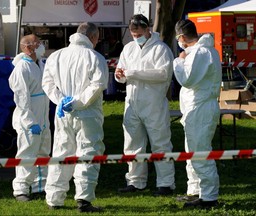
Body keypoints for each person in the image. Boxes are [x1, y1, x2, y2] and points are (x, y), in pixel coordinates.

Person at [42, 22, 109, 212]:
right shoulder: (95, 57)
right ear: (94, 38)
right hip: (88, 114)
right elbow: (97, 85)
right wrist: (78, 102)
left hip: (63, 113)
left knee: (61, 153)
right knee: (88, 152)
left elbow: (47, 83)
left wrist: (61, 101)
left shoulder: (56, 56)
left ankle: (54, 199)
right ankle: (84, 199)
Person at [115, 14, 175, 196]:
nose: (135, 37)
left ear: (148, 29)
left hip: (154, 104)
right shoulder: (128, 49)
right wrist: (120, 76)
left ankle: (166, 183)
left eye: (138, 33)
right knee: (132, 144)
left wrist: (132, 73)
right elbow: (123, 73)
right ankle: (135, 181)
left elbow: (163, 74)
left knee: (161, 143)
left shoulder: (161, 49)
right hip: (132, 102)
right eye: (133, 34)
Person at [173, 19, 221, 209]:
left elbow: (187, 79)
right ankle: (195, 191)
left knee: (200, 152)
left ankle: (209, 197)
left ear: (182, 37)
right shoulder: (206, 51)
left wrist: (179, 61)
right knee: (193, 151)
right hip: (197, 108)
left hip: (200, 108)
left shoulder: (199, 53)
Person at [9, 34, 51, 202]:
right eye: (37, 43)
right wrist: (29, 121)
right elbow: (21, 98)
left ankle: (39, 185)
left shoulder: (39, 64)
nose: (41, 46)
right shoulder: (22, 68)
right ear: (27, 47)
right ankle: (21, 189)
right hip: (29, 116)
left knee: (42, 150)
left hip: (42, 113)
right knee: (27, 152)